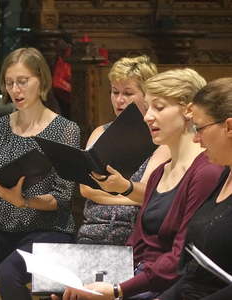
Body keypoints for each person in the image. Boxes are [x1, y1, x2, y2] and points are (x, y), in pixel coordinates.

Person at [53, 68, 224, 300]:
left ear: (188, 110)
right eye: (149, 106)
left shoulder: (205, 171)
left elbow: (179, 259)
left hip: (166, 285)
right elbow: (138, 244)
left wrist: (117, 290)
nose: (147, 116)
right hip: (142, 276)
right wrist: (95, 284)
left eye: (159, 107)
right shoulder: (160, 172)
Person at [0, 47, 80, 300]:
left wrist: (24, 201)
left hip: (49, 231)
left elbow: (63, 197)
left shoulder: (65, 129)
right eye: (9, 83)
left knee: (9, 274)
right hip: (1, 230)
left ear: (40, 80)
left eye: (22, 81)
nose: (15, 90)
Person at [77, 55, 170, 245]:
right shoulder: (99, 132)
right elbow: (86, 189)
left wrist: (109, 193)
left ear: (147, 95)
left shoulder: (161, 139)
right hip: (92, 231)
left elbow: (148, 194)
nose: (119, 100)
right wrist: (131, 195)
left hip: (134, 234)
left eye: (128, 93)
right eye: (114, 92)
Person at [157, 77, 232, 300]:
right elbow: (194, 276)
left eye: (199, 128)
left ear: (229, 126)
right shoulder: (224, 174)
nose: (196, 139)